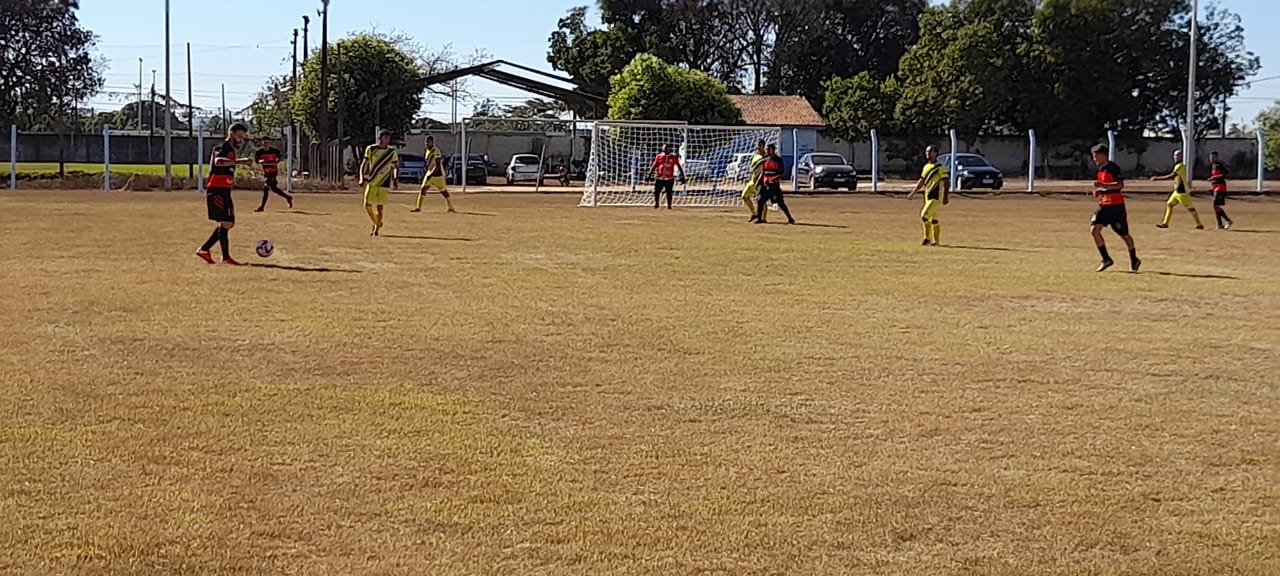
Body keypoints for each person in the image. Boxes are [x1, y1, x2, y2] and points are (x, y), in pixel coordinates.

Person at [195, 123, 252, 265]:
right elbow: (218, 161)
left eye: (243, 137)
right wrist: (241, 162)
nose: (241, 140)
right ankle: (219, 255)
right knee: (226, 222)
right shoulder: (223, 147)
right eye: (239, 136)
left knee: (228, 223)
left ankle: (207, 251)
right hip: (217, 189)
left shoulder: (230, 149)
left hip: (223, 189)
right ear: (231, 133)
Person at [1089, 144, 1140, 272]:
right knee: (1094, 230)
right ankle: (1106, 259)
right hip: (1104, 205)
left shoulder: (1113, 168)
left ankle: (1134, 258)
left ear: (1103, 155)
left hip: (1116, 206)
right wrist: (1100, 191)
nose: (1094, 159)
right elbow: (1106, 187)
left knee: (1124, 235)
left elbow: (1119, 185)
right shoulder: (1100, 169)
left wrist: (1103, 185)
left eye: (1096, 156)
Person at [907, 145, 949, 246]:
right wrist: (913, 193)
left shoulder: (940, 167)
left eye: (930, 152)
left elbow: (946, 182)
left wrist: (945, 196)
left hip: (936, 196)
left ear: (936, 153)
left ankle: (927, 238)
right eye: (926, 152)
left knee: (924, 214)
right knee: (933, 219)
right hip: (927, 195)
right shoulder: (926, 167)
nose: (928, 154)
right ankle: (936, 241)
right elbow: (922, 181)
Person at [359, 130, 398, 237]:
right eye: (385, 138)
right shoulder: (371, 149)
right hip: (372, 181)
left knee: (380, 207)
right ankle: (377, 222)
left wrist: (395, 178)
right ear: (379, 138)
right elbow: (364, 164)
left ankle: (376, 230)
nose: (386, 140)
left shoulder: (391, 152)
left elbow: (395, 167)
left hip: (384, 182)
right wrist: (361, 177)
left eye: (388, 138)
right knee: (367, 205)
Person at [1151, 149, 1203, 229]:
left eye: (1178, 156)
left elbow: (1172, 176)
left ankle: (1199, 224)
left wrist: (1157, 178)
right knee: (1169, 204)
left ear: (1181, 157)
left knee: (1190, 208)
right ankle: (1165, 223)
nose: (1176, 157)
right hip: (1177, 191)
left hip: (1182, 192)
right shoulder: (1177, 166)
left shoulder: (1180, 166)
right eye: (1175, 155)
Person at [411, 135, 455, 214]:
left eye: (429, 142)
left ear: (432, 142)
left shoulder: (436, 151)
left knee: (443, 191)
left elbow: (437, 165)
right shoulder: (427, 151)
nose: (427, 143)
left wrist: (430, 175)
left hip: (438, 175)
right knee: (423, 189)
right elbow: (429, 163)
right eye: (426, 142)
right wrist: (426, 170)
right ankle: (418, 207)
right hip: (429, 173)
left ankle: (451, 207)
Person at [754, 143, 795, 225]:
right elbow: (763, 172)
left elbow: (781, 172)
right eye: (766, 149)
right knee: (760, 200)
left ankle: (790, 218)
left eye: (768, 149)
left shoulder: (778, 160)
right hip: (765, 185)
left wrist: (773, 179)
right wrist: (758, 182)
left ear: (773, 150)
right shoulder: (765, 159)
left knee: (780, 203)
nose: (767, 151)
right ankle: (759, 218)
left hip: (774, 186)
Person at [252, 135, 293, 212]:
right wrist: (262, 161)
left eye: (267, 142)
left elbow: (280, 157)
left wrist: (276, 162)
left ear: (270, 142)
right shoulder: (260, 152)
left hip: (273, 172)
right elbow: (257, 161)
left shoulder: (274, 151)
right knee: (273, 189)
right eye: (264, 142)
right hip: (266, 172)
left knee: (266, 186)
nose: (266, 143)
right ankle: (288, 197)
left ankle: (262, 207)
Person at [648, 143, 685, 209]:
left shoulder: (673, 157)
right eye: (664, 147)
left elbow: (679, 167)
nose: (665, 149)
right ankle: (656, 203)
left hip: (669, 178)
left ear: (669, 149)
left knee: (669, 192)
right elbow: (654, 165)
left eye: (666, 148)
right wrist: (649, 174)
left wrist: (682, 176)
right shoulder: (659, 156)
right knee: (657, 191)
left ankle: (669, 205)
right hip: (659, 177)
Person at [1208, 151, 1233, 229]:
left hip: (1220, 187)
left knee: (1215, 205)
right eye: (1210, 157)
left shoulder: (1219, 165)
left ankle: (1228, 220)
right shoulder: (1213, 166)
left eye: (1213, 157)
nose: (1211, 159)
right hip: (1215, 187)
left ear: (1216, 157)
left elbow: (1225, 174)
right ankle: (1219, 224)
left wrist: (1214, 177)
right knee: (1216, 206)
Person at [744, 139, 767, 222]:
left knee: (761, 200)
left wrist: (761, 180)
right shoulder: (755, 156)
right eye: (757, 145)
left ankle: (763, 218)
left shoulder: (765, 157)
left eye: (760, 145)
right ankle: (754, 213)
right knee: (745, 196)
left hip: (761, 182)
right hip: (752, 181)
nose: (758, 147)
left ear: (763, 146)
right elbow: (753, 169)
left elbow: (764, 170)